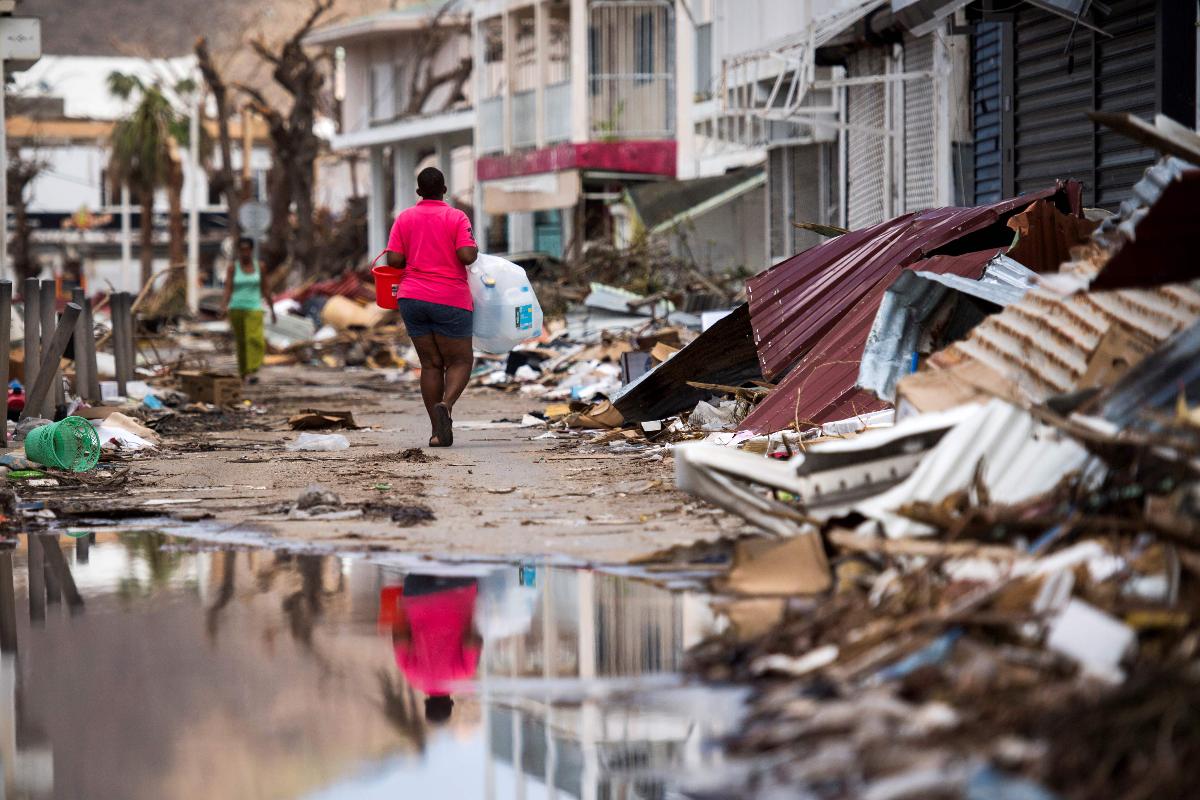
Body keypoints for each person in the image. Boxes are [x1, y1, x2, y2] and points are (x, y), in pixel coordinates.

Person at [386, 167, 479, 447]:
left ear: (419, 192)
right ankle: (446, 405)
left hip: (412, 298)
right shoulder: (456, 217)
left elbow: (394, 260)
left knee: (430, 364)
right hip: (449, 297)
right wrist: (472, 247)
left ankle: (437, 432)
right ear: (444, 190)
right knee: (460, 361)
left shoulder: (404, 218)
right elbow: (467, 255)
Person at [383, 574, 482, 726]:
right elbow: (400, 639)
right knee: (422, 561)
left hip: (458, 591)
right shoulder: (412, 676)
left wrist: (476, 634)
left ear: (450, 703)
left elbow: (471, 642)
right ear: (427, 702)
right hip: (416, 594)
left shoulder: (463, 674)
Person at [222, 237, 276, 384]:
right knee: (241, 341)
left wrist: (272, 309)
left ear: (252, 250)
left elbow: (266, 288)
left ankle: (253, 370)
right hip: (236, 308)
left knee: (255, 339)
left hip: (254, 308)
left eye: (247, 250)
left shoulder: (260, 267)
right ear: (238, 251)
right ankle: (244, 372)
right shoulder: (233, 268)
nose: (245, 253)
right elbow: (228, 288)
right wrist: (224, 306)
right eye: (242, 250)